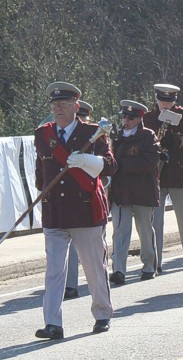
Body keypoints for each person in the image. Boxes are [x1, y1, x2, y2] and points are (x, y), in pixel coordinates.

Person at [34, 82, 116, 339]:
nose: (58, 108)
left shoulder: (93, 132)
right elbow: (40, 173)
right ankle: (53, 323)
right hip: (55, 212)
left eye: (64, 104)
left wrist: (91, 161)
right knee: (54, 271)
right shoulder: (43, 134)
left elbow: (111, 165)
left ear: (76, 107)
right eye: (55, 105)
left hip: (85, 211)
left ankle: (102, 314)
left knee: (94, 267)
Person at [143, 84, 183, 272]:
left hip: (180, 172)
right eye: (162, 101)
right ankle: (155, 260)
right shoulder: (148, 117)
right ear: (156, 99)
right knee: (155, 221)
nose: (166, 105)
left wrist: (176, 141)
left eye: (169, 101)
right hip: (157, 175)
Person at [109, 100, 160, 284]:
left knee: (145, 230)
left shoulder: (148, 135)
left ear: (140, 118)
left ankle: (149, 266)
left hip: (143, 190)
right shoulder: (116, 136)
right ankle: (118, 269)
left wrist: (121, 165)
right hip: (121, 191)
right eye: (124, 116)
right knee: (120, 232)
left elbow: (150, 161)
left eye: (131, 117)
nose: (126, 120)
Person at [63, 99, 93, 300]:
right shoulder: (58, 136)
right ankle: (70, 285)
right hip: (66, 197)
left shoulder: (94, 135)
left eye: (83, 118)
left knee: (93, 247)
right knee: (69, 245)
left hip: (89, 198)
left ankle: (96, 281)